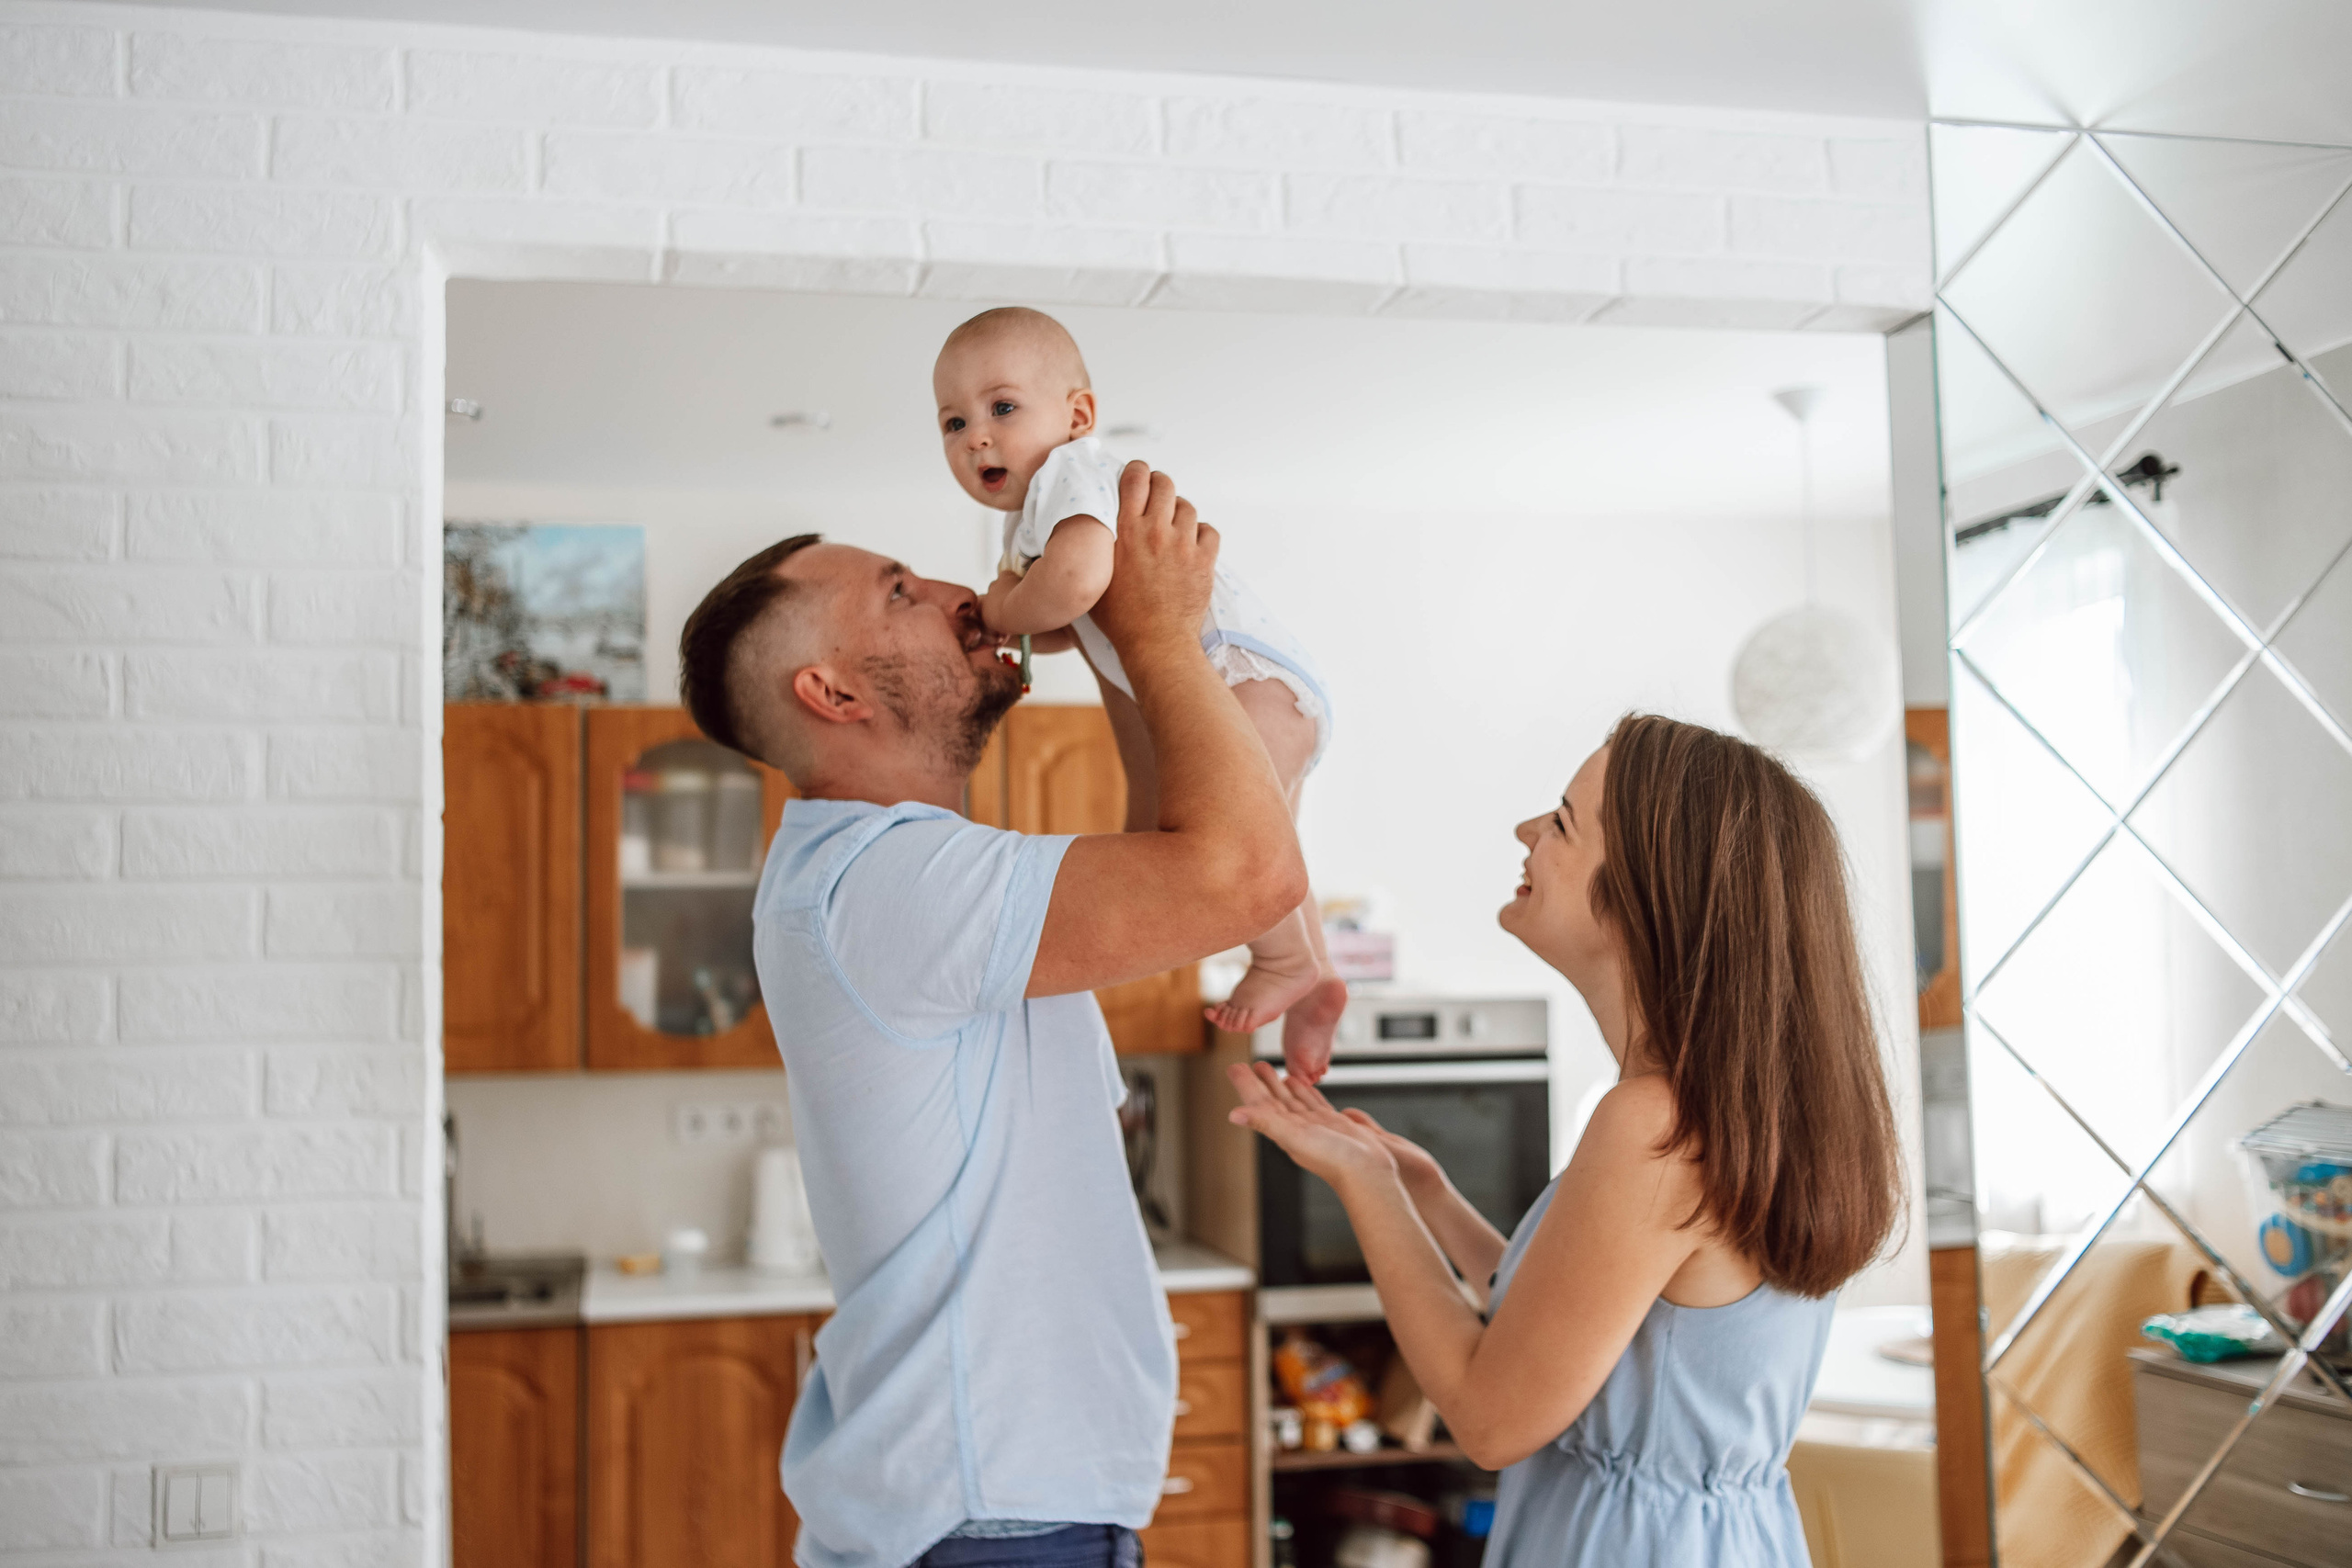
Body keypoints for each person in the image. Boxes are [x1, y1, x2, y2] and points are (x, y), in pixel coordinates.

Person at [677, 465, 1307, 1568]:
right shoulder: (882, 884)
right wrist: (1160, 634)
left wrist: (1118, 637)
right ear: (833, 694)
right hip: (989, 1520)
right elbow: (1242, 877)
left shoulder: (889, 875)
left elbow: (1175, 852)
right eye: (897, 594)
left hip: (998, 1510)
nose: (950, 586)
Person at [1227, 714, 1905, 1567]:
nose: (1526, 833)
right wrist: (1428, 1196)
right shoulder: (1719, 1112)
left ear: (1646, 894)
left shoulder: (1654, 1126)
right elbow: (1591, 1333)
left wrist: (1364, 1183)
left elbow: (1489, 1415)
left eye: (1561, 820)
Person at [933, 306, 1348, 1080]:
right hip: (1255, 682)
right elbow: (1068, 622)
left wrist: (999, 609)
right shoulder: (1032, 520)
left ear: (1077, 414)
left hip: (1239, 673)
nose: (976, 436)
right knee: (1271, 836)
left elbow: (1080, 582)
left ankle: (1286, 956)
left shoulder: (1072, 474)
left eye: (1002, 407)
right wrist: (1018, 625)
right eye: (953, 422)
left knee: (1239, 838)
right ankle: (1315, 975)